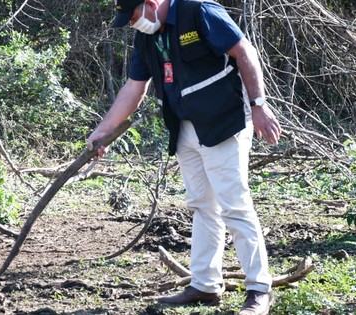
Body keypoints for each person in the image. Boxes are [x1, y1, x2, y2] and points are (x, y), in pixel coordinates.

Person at [87, 0, 282, 314]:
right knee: (202, 205)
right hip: (185, 128)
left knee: (234, 205)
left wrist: (259, 105)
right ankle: (205, 285)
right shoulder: (146, 36)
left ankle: (259, 290)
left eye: (135, 16)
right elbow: (134, 88)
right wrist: (102, 131)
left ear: (151, 4)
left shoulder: (198, 11)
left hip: (224, 121)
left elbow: (244, 51)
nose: (134, 23)